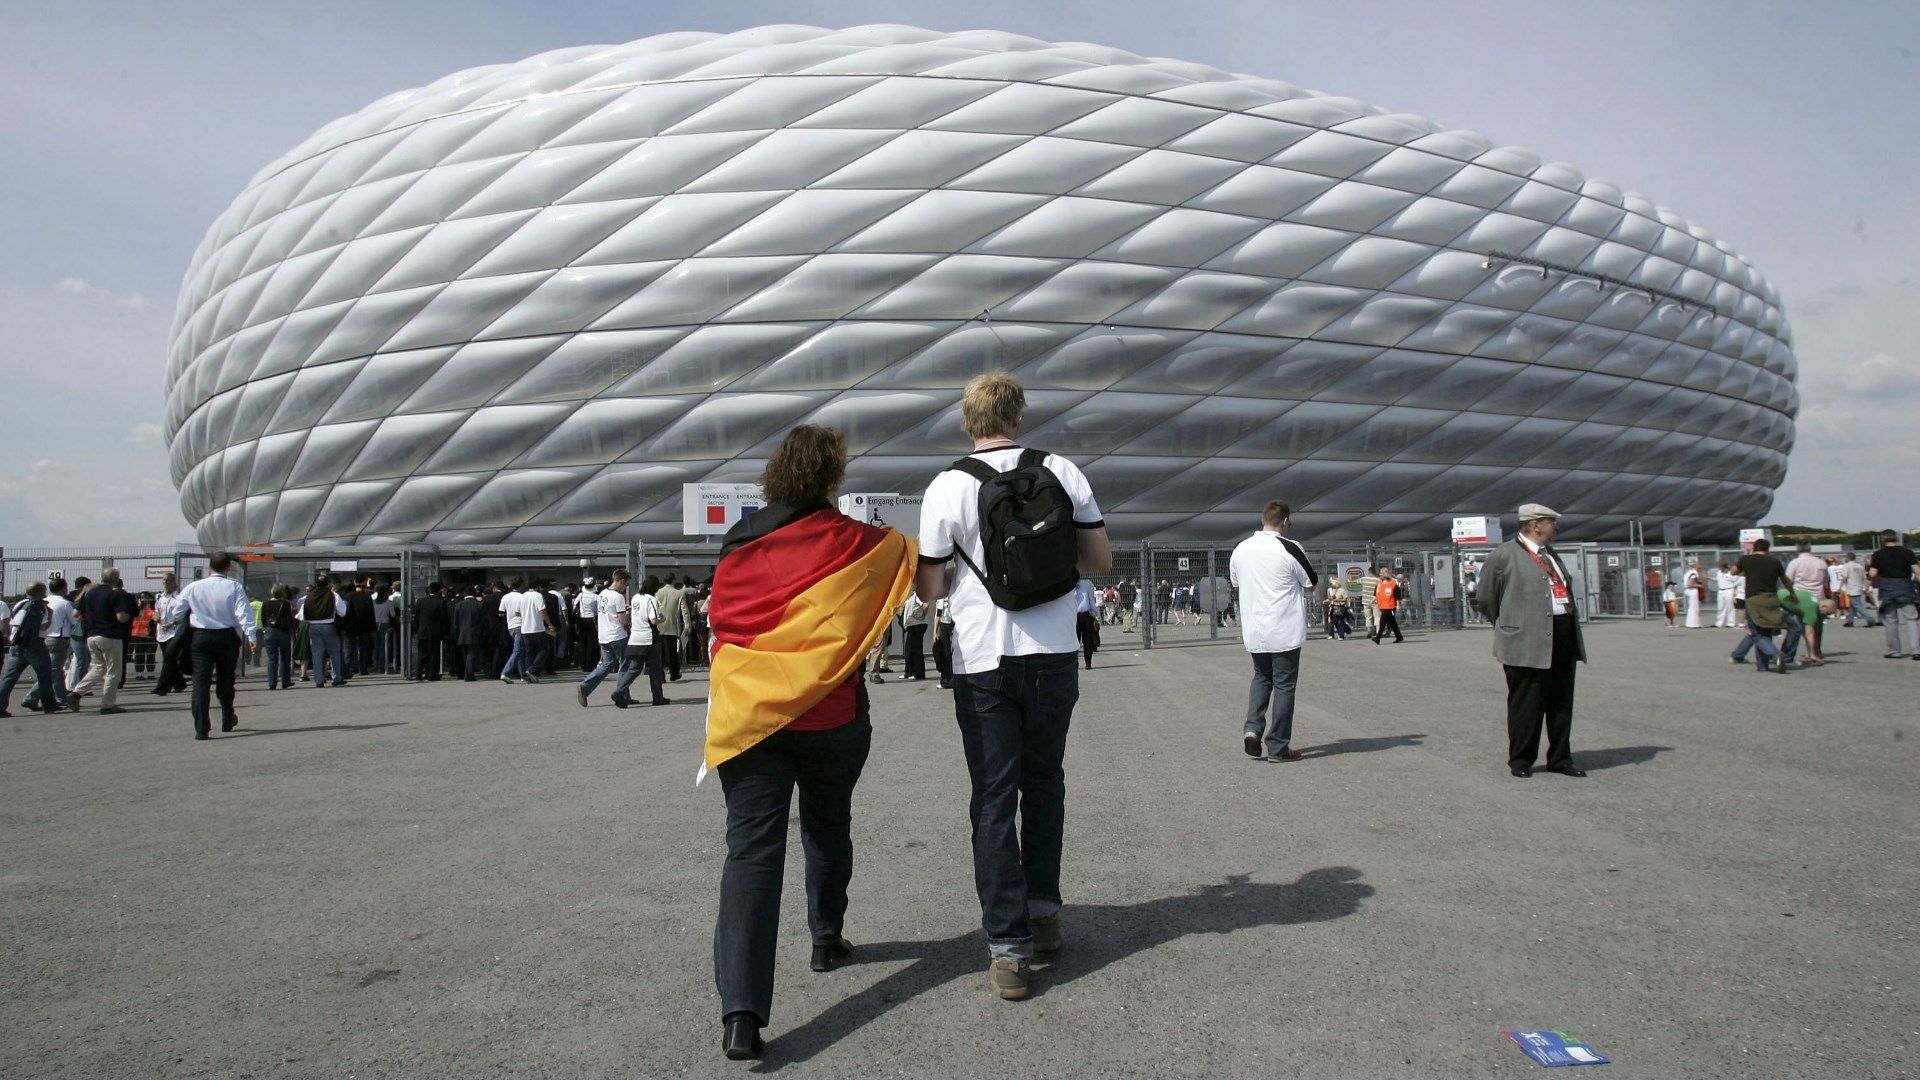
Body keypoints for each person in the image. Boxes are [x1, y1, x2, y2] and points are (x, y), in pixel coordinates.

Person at [704, 424, 914, 1061]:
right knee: (828, 823)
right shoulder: (858, 542)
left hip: (750, 718)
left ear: (774, 474)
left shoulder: (738, 541)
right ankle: (826, 936)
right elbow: (911, 566)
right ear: (833, 477)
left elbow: (723, 620)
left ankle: (742, 1014)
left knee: (751, 852)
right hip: (832, 717)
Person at [915, 372, 1111, 1001]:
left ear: (967, 421)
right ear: (1018, 417)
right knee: (1045, 782)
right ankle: (1044, 914)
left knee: (994, 796)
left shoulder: (947, 486)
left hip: (982, 660)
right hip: (1053, 651)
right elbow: (1099, 560)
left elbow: (931, 588)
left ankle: (1007, 947)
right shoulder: (1062, 470)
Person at [1479, 504, 1587, 778]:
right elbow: (1486, 598)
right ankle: (1521, 760)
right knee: (1526, 702)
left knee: (1561, 702)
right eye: (1551, 521)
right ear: (1535, 524)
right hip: (1524, 639)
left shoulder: (1550, 554)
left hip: (1562, 635)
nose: (1556, 526)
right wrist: (1509, 625)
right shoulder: (1504, 555)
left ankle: (1560, 758)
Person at [1231, 500, 1315, 763]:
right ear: (1286, 521)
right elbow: (1311, 582)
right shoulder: (1290, 547)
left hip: (1255, 628)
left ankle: (1252, 728)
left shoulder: (1241, 549)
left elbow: (1235, 582)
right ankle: (1278, 747)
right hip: (1284, 628)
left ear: (1263, 519)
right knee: (1284, 685)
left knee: (1261, 678)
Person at [174, 552, 259, 739]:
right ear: (228, 567)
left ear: (209, 566)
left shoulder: (193, 587)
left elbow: (176, 611)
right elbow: (244, 613)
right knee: (226, 680)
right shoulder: (234, 586)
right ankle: (227, 717)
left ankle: (201, 728)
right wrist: (251, 635)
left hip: (201, 637)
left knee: (200, 682)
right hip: (226, 636)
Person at [68, 567, 138, 715]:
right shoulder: (115, 594)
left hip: (91, 636)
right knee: (113, 671)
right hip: (110, 635)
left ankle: (76, 693)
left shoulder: (89, 593)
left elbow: (75, 613)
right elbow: (121, 617)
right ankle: (107, 704)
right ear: (116, 579)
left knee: (98, 668)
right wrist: (129, 613)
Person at [0, 583, 65, 717]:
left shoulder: (20, 604)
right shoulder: (41, 606)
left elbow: (13, 622)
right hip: (35, 645)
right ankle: (49, 704)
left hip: (17, 644)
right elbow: (42, 627)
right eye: (44, 591)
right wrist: (50, 615)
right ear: (40, 592)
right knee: (45, 676)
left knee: (10, 678)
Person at [21, 576, 76, 713]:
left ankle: (62, 698)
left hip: (44, 637)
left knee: (56, 672)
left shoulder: (43, 602)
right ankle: (31, 697)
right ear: (64, 588)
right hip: (59, 639)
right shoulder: (65, 604)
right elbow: (75, 621)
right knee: (53, 672)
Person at [612, 576, 668, 707]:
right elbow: (653, 620)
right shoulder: (651, 599)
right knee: (655, 668)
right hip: (649, 637)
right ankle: (657, 697)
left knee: (634, 669)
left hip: (635, 638)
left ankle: (619, 691)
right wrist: (662, 619)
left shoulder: (635, 598)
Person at [577, 569, 630, 705]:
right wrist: (629, 614)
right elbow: (623, 620)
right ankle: (621, 695)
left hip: (604, 636)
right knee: (624, 665)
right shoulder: (618, 597)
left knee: (607, 664)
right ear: (621, 581)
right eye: (626, 584)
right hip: (617, 635)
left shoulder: (602, 594)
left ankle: (585, 686)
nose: (625, 587)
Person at [1867, 530, 1919, 659]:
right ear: (1896, 538)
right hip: (1906, 588)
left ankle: (1894, 651)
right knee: (1912, 619)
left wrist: (1869, 580)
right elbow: (1917, 571)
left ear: (1883, 539)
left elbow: (1873, 573)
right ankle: (1916, 650)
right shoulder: (1907, 552)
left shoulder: (1878, 554)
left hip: (1887, 589)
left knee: (1890, 620)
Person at [1784, 543, 1830, 664]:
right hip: (1819, 597)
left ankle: (1810, 651)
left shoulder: (1795, 562)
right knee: (1818, 626)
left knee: (1803, 626)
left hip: (1801, 598)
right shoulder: (1821, 563)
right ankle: (1816, 650)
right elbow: (1826, 580)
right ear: (1810, 548)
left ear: (1797, 549)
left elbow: (1787, 580)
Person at [301, 576, 349, 687]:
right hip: (329, 625)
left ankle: (319, 680)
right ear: (328, 584)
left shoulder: (309, 596)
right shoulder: (333, 595)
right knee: (334, 653)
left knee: (317, 654)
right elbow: (342, 612)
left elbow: (304, 614)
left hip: (313, 626)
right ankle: (336, 678)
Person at [258, 583, 296, 690]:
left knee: (272, 658)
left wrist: (266, 628)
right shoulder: (286, 603)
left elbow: (263, 618)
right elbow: (289, 618)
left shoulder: (265, 603)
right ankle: (285, 681)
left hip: (269, 631)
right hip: (283, 632)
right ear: (283, 592)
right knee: (285, 657)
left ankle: (272, 683)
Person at [411, 582, 450, 681]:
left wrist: (416, 630)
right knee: (434, 654)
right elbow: (443, 618)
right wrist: (444, 632)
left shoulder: (420, 601)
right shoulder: (440, 602)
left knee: (421, 653)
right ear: (438, 591)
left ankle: (418, 674)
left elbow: (417, 617)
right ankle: (432, 675)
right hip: (435, 632)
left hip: (422, 631)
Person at [654, 576, 687, 683]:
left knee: (660, 653)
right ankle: (674, 674)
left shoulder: (657, 593)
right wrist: (687, 625)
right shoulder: (679, 593)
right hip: (672, 626)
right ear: (674, 580)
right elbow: (684, 611)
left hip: (659, 625)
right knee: (672, 652)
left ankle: (661, 676)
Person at [452, 586, 488, 681]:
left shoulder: (458, 605)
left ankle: (468, 672)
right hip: (475, 633)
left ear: (465, 593)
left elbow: (455, 623)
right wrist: (484, 633)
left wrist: (457, 635)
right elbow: (483, 621)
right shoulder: (479, 605)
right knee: (472, 654)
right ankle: (469, 675)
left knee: (466, 655)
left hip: (462, 634)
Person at [901, 590, 930, 680]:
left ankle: (919, 674)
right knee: (909, 650)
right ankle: (909, 672)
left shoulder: (918, 595)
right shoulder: (911, 596)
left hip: (917, 625)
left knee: (916, 650)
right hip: (911, 625)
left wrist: (922, 615)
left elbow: (926, 604)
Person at [1369, 569, 1404, 644]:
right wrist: (1371, 601)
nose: (1380, 574)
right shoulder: (1379, 583)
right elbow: (1376, 594)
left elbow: (1397, 595)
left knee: (1382, 621)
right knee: (1393, 623)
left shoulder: (1392, 583)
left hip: (1390, 606)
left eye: (1382, 573)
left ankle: (1378, 638)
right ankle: (1399, 637)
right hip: (1382, 606)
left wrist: (1398, 605)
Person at [1072, 579, 1100, 669]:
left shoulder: (1087, 584)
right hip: (1073, 615)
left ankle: (1088, 663)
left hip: (1085, 615)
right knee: (1073, 642)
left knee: (1087, 641)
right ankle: (1074, 664)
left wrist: (1094, 614)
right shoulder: (1069, 584)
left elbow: (1091, 599)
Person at [931, 596, 954, 689]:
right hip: (945, 624)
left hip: (955, 624)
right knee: (945, 653)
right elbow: (938, 614)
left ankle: (957, 680)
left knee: (956, 653)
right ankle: (946, 681)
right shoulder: (941, 598)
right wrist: (934, 632)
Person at [1713, 561, 1739, 628]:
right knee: (1720, 607)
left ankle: (1730, 623)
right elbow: (1717, 579)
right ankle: (1719, 623)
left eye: (1720, 566)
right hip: (1721, 590)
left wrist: (1735, 593)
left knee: (1730, 607)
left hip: (1729, 590)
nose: (1719, 568)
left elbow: (1736, 581)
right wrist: (1708, 577)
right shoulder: (1719, 572)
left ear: (1723, 567)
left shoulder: (1730, 573)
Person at [1357, 566, 1381, 638]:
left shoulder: (1364, 579)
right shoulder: (1378, 580)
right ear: (1375, 572)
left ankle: (1369, 632)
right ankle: (1378, 632)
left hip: (1366, 601)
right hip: (1376, 601)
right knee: (1377, 617)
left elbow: (1355, 581)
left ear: (1369, 572)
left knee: (1368, 617)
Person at [1324, 576, 1351, 640]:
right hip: (1334, 607)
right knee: (1335, 622)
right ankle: (1346, 630)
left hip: (1341, 607)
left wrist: (1337, 600)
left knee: (1340, 622)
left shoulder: (1342, 590)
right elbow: (1332, 598)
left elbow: (1345, 599)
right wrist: (1328, 600)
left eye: (1332, 584)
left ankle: (1341, 635)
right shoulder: (1332, 590)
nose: (1332, 585)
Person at [1683, 561, 1706, 628]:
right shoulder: (1694, 574)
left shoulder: (1688, 572)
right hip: (1692, 591)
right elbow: (1689, 584)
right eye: (1700, 569)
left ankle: (1690, 623)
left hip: (1688, 591)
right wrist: (1699, 585)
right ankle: (1694, 624)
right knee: (1695, 608)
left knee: (1691, 608)